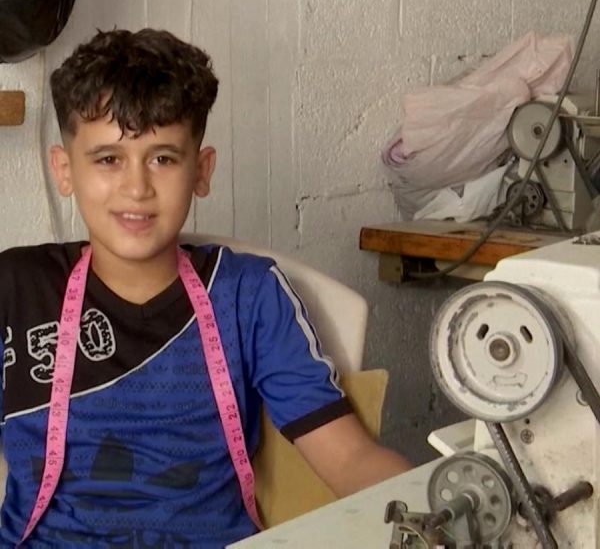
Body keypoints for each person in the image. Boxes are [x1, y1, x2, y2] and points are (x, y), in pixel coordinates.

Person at [0, 28, 411, 548]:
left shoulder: (246, 296)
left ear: (201, 169)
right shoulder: (17, 288)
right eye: (108, 159)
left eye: (163, 158)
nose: (137, 188)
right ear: (65, 170)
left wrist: (431, 513)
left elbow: (349, 457)